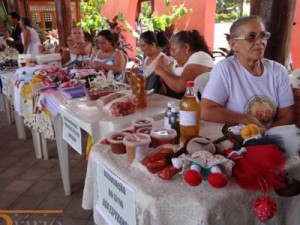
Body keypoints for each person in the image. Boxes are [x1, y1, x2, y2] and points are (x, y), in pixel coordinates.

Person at [201, 16, 295, 129]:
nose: (260, 42)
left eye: (263, 36)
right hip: (236, 138)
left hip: (269, 138)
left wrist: (266, 136)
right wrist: (244, 118)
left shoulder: (278, 71)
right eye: (251, 37)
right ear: (233, 44)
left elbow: (287, 115)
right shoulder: (225, 69)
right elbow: (206, 111)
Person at [154, 30, 214, 99]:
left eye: (174, 49)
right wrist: (161, 71)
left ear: (186, 48)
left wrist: (160, 70)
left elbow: (180, 86)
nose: (171, 53)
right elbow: (162, 74)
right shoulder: (178, 61)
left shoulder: (201, 57)